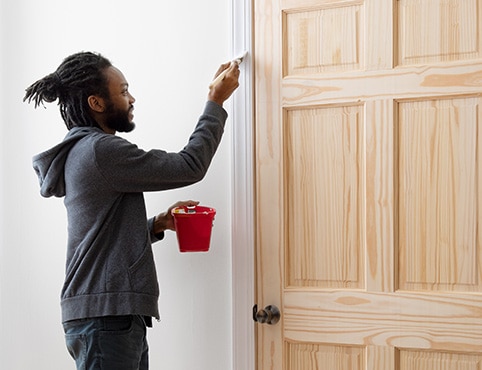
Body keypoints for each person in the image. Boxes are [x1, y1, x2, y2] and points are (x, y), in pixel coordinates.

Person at [24, 51, 240, 370]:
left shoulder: (84, 151)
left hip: (106, 314)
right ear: (96, 103)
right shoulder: (101, 150)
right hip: (107, 317)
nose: (132, 98)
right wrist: (215, 101)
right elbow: (190, 165)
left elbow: (99, 234)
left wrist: (156, 225)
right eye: (123, 91)